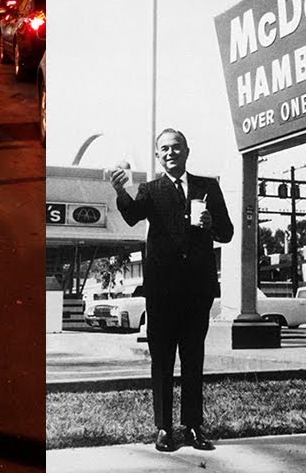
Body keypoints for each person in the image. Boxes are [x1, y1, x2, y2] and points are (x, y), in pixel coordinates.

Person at [108, 128, 234, 452]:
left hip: (197, 290)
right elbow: (134, 216)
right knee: (162, 360)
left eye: (176, 147)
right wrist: (121, 190)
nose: (170, 153)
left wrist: (212, 225)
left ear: (187, 151)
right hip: (162, 291)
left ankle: (193, 427)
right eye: (164, 149)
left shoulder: (209, 187)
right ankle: (164, 429)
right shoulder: (151, 190)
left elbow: (228, 232)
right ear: (157, 155)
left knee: (193, 359)